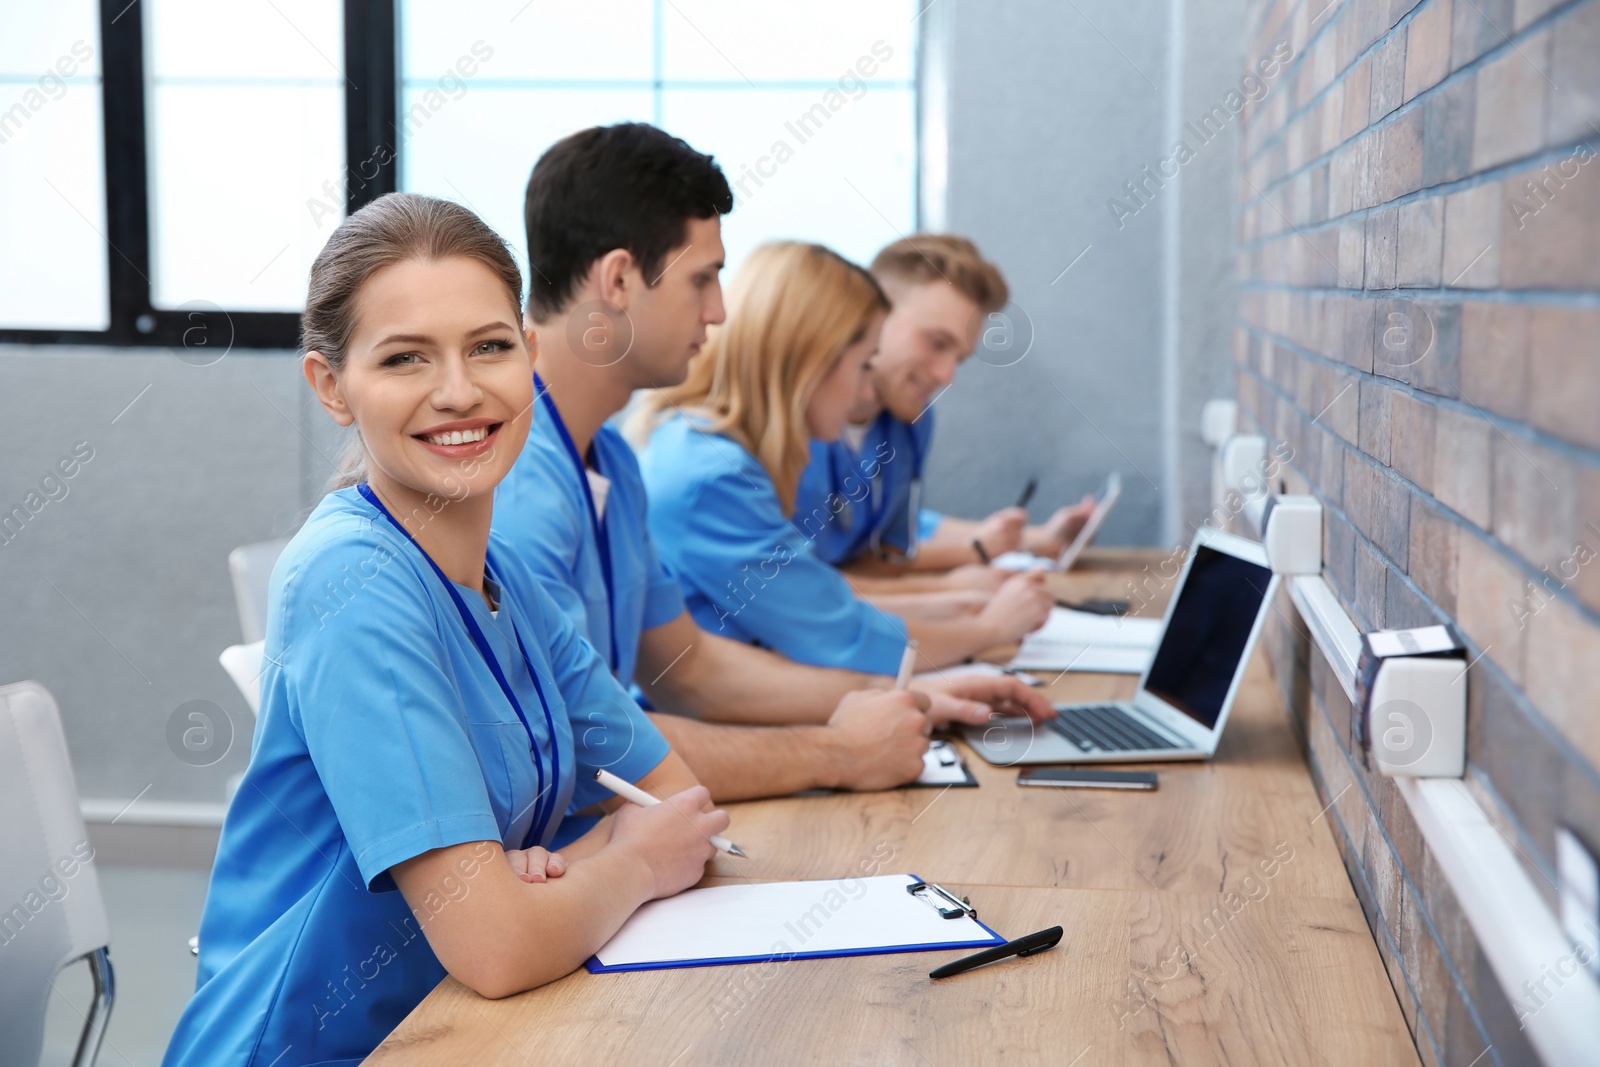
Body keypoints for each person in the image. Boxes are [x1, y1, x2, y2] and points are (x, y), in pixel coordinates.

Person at [164, 194, 730, 1066]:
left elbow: (674, 801)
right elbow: (500, 946)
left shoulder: (505, 575)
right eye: (404, 359)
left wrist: (557, 877)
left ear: (529, 355)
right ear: (331, 386)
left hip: (470, 1022)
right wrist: (625, 865)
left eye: (490, 347)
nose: (460, 390)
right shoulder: (351, 585)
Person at [494, 124, 1053, 802]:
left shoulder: (609, 459)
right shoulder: (516, 481)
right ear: (618, 279)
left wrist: (906, 693)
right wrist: (836, 750)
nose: (720, 309)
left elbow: (692, 668)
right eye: (702, 279)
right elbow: (586, 751)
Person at [635, 240, 1054, 675]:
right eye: (862, 362)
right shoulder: (713, 474)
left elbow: (831, 592)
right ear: (814, 353)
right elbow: (833, 631)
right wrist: (984, 626)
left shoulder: (725, 452)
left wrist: (958, 601)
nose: (862, 389)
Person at [792, 235, 1099, 577]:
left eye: (960, 359)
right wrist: (962, 598)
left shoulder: (909, 423)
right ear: (871, 317)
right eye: (937, 343)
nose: (946, 375)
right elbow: (801, 584)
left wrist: (1027, 541)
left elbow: (888, 553)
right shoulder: (791, 420)